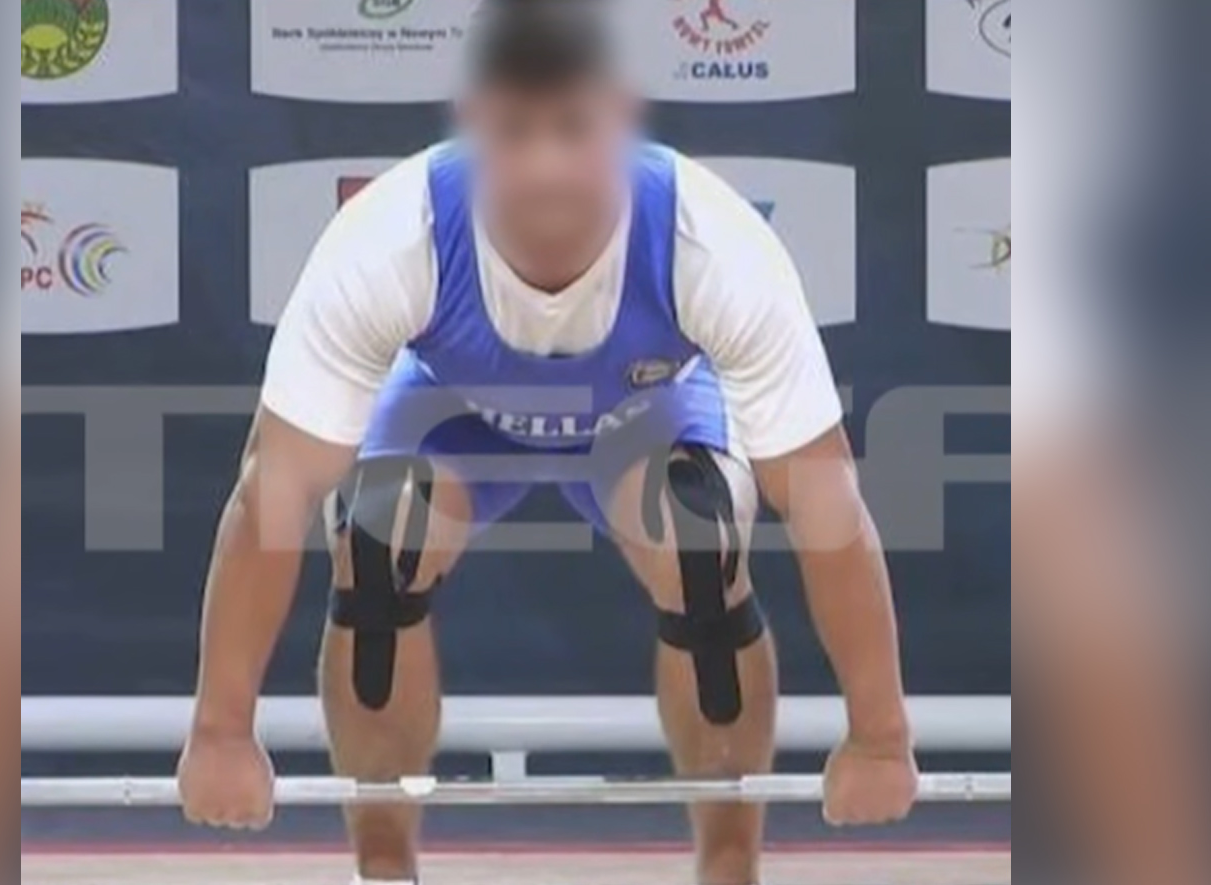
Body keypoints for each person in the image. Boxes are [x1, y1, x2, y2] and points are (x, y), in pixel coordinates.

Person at [177, 2, 918, 884]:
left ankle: (729, 867)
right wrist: (220, 730)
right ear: (475, 125)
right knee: (378, 529)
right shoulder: (393, 235)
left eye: (573, 129)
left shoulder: (711, 242)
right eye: (516, 132)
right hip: (458, 413)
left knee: (699, 533)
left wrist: (881, 736)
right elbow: (273, 491)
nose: (546, 166)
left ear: (620, 121)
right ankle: (383, 868)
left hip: (640, 419)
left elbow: (829, 509)